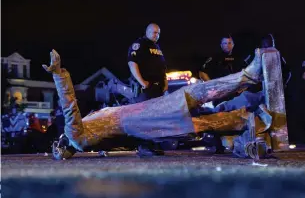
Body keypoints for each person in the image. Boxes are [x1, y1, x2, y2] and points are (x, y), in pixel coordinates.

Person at [42, 48, 265, 160]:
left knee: (196, 123)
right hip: (136, 119)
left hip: (138, 122)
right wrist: (59, 74)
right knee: (191, 97)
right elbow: (69, 106)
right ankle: (248, 78)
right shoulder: (75, 136)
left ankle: (246, 117)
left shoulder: (81, 138)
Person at [128, 23, 168, 102]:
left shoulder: (156, 46)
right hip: (146, 89)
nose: (157, 35)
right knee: (145, 113)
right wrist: (142, 82)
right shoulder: (140, 44)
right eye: (155, 32)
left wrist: (165, 83)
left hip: (159, 89)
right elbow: (132, 63)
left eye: (158, 33)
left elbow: (162, 66)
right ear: (147, 32)